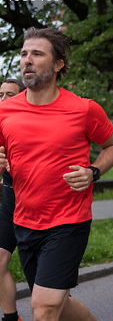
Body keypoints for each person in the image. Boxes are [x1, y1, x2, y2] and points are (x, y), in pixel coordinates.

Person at [0, 27, 113, 321]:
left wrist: (93, 171)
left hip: (68, 221)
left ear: (57, 65)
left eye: (37, 54)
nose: (27, 60)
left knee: (42, 308)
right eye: (23, 54)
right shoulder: (5, 112)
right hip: (24, 220)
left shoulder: (84, 110)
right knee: (58, 305)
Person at [0, 79, 25, 321]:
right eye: (1, 94)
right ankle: (11, 318)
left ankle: (59, 308)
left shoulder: (30, 125)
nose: (4, 99)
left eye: (10, 95)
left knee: (45, 282)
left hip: (39, 209)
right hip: (9, 205)